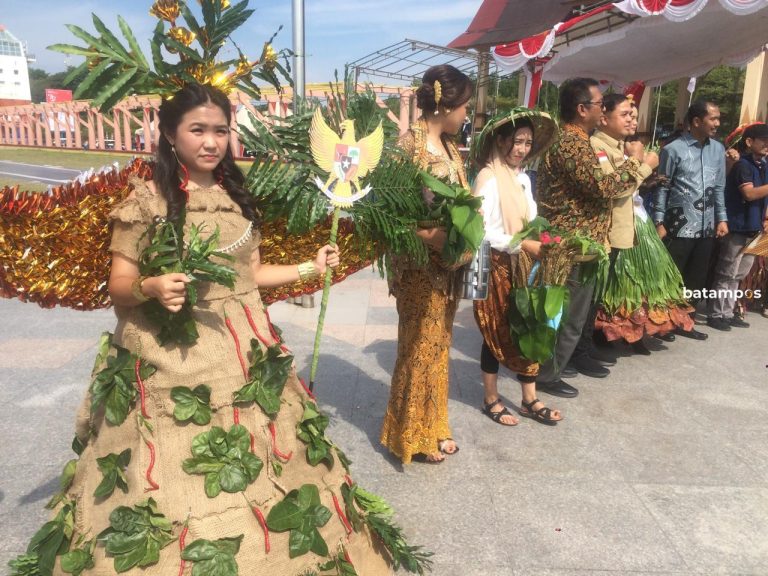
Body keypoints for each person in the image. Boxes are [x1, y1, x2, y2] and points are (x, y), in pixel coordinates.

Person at [23, 83, 393, 575]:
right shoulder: (147, 201)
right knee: (173, 476)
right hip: (171, 358)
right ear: (171, 135)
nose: (211, 141)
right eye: (197, 129)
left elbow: (251, 277)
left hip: (246, 351)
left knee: (269, 458)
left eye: (221, 130)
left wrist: (310, 267)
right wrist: (151, 287)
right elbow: (119, 285)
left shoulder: (237, 198)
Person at [380, 64, 473, 463]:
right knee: (418, 346)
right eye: (465, 107)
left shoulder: (450, 147)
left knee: (439, 346)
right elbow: (387, 217)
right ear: (444, 105)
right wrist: (432, 238)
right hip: (418, 266)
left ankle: (433, 425)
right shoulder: (408, 147)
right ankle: (408, 434)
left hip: (446, 267)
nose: (467, 115)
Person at [535, 78, 651, 399]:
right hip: (573, 245)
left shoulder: (577, 141)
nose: (603, 109)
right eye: (600, 104)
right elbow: (604, 187)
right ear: (582, 109)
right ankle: (547, 374)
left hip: (579, 244)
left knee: (568, 314)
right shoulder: (571, 143)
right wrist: (639, 164)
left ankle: (549, 369)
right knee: (567, 317)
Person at [471, 109, 562, 426]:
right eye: (517, 141)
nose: (522, 148)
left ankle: (529, 398)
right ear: (501, 140)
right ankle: (491, 398)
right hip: (493, 264)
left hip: (524, 265)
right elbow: (480, 231)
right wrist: (522, 244)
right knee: (493, 331)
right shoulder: (488, 178)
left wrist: (544, 241)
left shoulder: (523, 178)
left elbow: (529, 220)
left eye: (528, 142)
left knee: (531, 323)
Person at [593, 95, 697, 349]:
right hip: (618, 225)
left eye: (634, 115)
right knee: (619, 283)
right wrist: (640, 162)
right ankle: (607, 333)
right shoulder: (599, 147)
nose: (632, 120)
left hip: (638, 221)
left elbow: (633, 187)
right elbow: (615, 187)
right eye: (626, 114)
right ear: (604, 117)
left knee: (645, 281)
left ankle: (640, 329)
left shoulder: (622, 146)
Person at [653, 100, 729, 340]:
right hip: (678, 225)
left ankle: (686, 323)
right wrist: (658, 221)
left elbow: (719, 188)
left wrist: (721, 219)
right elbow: (662, 188)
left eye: (718, 118)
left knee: (696, 278)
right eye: (713, 119)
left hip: (706, 227)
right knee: (671, 276)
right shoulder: (673, 149)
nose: (717, 123)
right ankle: (663, 323)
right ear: (696, 121)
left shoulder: (718, 149)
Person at [707, 122, 768, 330]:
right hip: (738, 226)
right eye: (764, 141)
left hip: (755, 228)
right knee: (727, 272)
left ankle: (728, 310)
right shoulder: (743, 164)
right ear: (749, 142)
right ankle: (716, 313)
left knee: (740, 274)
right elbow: (749, 194)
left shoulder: (762, 164)